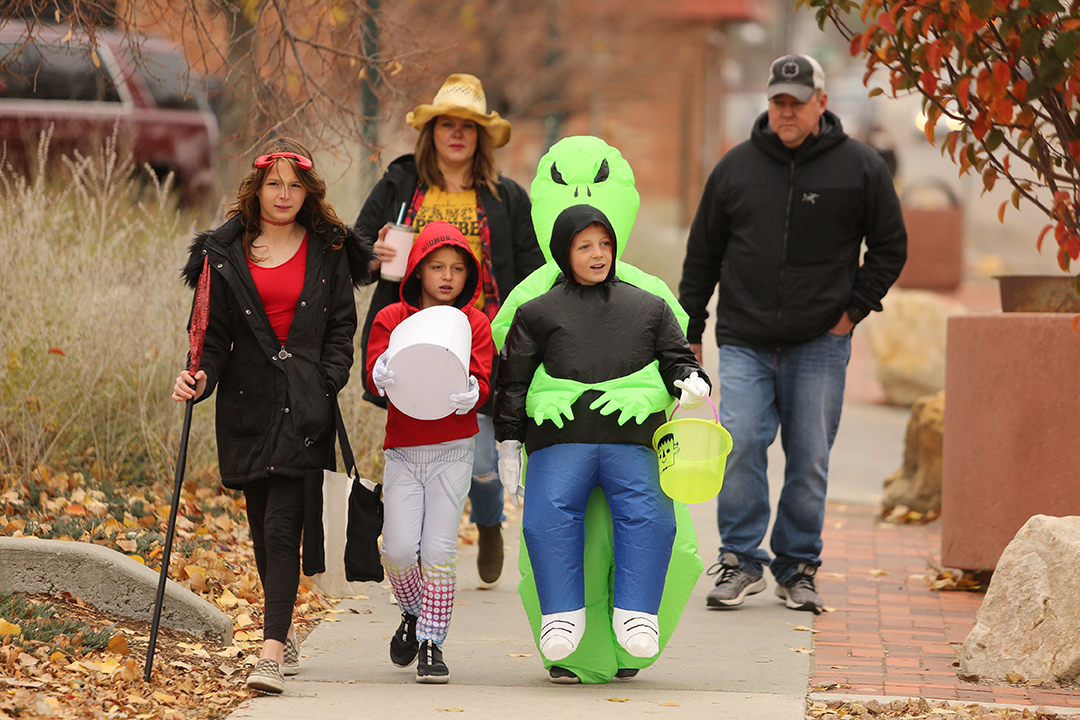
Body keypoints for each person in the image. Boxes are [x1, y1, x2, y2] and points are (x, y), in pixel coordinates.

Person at [678, 53, 907, 614]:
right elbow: (702, 254)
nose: (786, 112)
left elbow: (890, 246)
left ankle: (798, 566)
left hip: (819, 344)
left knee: (808, 458)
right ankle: (740, 560)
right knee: (742, 444)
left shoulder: (860, 167)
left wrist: (851, 313)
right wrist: (691, 330)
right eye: (778, 102)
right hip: (745, 339)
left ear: (820, 103)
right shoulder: (735, 167)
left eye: (797, 102)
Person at [171, 138, 373, 694]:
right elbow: (209, 340)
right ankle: (279, 632)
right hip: (245, 405)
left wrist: (325, 379)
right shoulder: (222, 254)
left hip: (306, 407)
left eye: (293, 184)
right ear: (256, 190)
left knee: (285, 526)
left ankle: (270, 650)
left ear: (307, 191)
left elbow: (340, 329)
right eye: (273, 183)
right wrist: (200, 378)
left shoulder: (329, 249)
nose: (284, 194)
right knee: (262, 529)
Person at [494, 202, 711, 682]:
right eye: (585, 245)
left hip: (632, 442)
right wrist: (507, 442)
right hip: (560, 441)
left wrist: (693, 381)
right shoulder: (536, 312)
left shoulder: (647, 306)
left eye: (605, 244)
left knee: (650, 513)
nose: (598, 254)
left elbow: (677, 358)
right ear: (563, 252)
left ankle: (638, 613)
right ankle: (561, 616)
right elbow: (511, 379)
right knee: (549, 514)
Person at [355, 73, 543, 587]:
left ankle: (488, 523)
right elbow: (354, 246)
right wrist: (371, 256)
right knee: (415, 446)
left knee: (482, 455)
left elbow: (532, 271)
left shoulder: (505, 198)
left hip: (482, 341)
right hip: (410, 340)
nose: (457, 134)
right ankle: (414, 548)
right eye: (447, 125)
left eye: (468, 126)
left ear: (481, 136)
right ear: (431, 131)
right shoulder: (400, 185)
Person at [366, 221, 494, 684]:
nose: (447, 276)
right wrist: (378, 374)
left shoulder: (474, 323)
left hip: (453, 450)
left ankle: (431, 643)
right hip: (403, 451)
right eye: (436, 266)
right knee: (399, 549)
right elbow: (373, 375)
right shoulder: (391, 318)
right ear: (417, 268)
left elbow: (482, 381)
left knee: (439, 549)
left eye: (458, 268)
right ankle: (412, 611)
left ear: (468, 275)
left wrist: (473, 393)